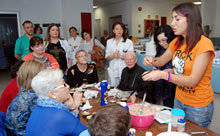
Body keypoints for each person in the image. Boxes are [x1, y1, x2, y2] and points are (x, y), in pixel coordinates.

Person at [142, 2, 215, 128]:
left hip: (198, 105)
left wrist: (163, 75)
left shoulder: (204, 44)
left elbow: (192, 80)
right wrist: (151, 60)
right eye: (172, 19)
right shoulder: (177, 42)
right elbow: (161, 61)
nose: (172, 23)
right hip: (179, 100)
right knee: (178, 130)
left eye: (177, 19)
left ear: (191, 20)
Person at [26, 69, 88, 136]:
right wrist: (75, 105)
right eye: (64, 84)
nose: (68, 86)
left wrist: (73, 107)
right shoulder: (60, 115)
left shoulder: (37, 110)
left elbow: (73, 128)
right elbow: (88, 133)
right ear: (52, 94)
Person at [5, 61, 46, 136]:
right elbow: (46, 120)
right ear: (35, 78)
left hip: (11, 130)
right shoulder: (33, 98)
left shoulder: (25, 91)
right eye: (44, 75)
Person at [153, 25, 176, 108]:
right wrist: (155, 67)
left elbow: (178, 71)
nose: (162, 43)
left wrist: (164, 72)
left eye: (164, 40)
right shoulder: (161, 49)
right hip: (161, 86)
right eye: (159, 41)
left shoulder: (177, 50)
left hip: (173, 87)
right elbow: (158, 62)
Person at [106, 22, 134, 87]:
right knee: (113, 89)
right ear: (113, 30)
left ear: (123, 30)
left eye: (121, 29)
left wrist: (120, 56)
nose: (119, 31)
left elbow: (131, 57)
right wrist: (113, 56)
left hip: (124, 69)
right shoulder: (109, 42)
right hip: (112, 69)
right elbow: (107, 57)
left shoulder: (128, 42)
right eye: (117, 29)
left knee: (124, 89)